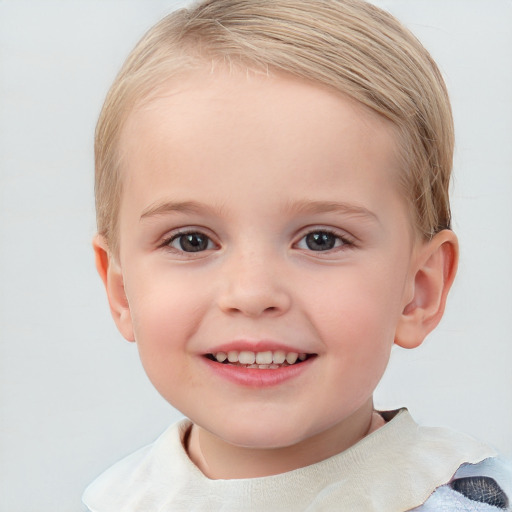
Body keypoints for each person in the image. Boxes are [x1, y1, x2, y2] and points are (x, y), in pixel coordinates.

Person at [83, 0, 511, 510]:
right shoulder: (112, 500)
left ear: (419, 289)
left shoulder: (475, 499)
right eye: (191, 240)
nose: (253, 293)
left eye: (321, 240)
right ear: (120, 289)